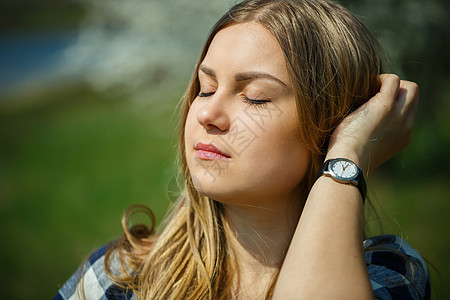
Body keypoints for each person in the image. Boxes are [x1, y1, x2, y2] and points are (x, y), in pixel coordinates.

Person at [55, 0, 431, 299]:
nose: (207, 113)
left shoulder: (389, 274)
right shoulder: (118, 279)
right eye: (205, 88)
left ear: (332, 124)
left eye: (255, 98)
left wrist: (348, 155)